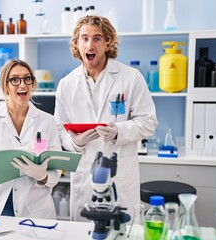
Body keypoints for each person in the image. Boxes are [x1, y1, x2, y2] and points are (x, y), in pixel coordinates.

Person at [54, 15, 158, 221]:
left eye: (97, 38)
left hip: (119, 175)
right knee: (84, 232)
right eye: (84, 38)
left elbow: (148, 121)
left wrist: (119, 131)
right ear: (77, 43)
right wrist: (74, 142)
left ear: (108, 42)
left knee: (120, 231)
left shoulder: (130, 77)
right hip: (84, 174)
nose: (89, 44)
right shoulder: (66, 84)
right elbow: (58, 128)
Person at [0, 59, 62, 219]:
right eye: (15, 79)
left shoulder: (48, 121)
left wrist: (42, 175)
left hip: (35, 209)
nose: (22, 85)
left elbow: (56, 171)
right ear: (5, 85)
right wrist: (13, 167)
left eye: (27, 78)